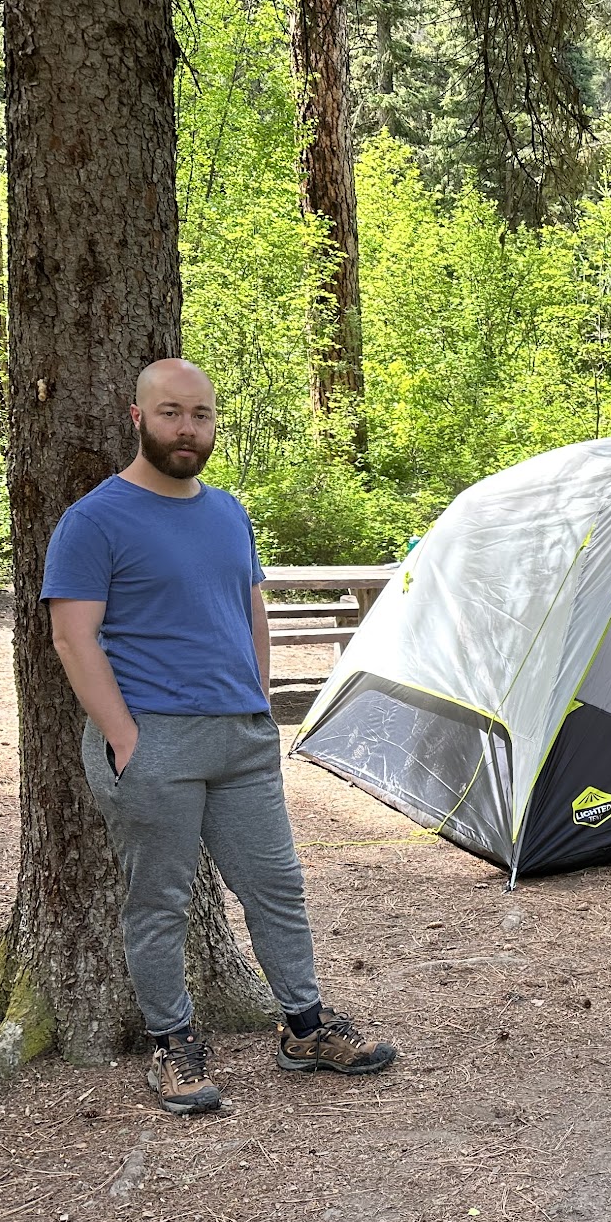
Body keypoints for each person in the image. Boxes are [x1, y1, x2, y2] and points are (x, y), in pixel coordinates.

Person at [42, 357, 397, 1114]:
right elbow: (75, 639)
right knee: (159, 900)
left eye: (200, 414)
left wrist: (258, 701)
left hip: (241, 739)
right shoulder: (95, 519)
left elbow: (251, 607)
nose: (187, 428)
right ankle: (173, 1045)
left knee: (277, 888)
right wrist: (123, 738)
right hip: (153, 743)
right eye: (171, 413)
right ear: (138, 419)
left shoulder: (228, 511)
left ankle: (304, 1027)